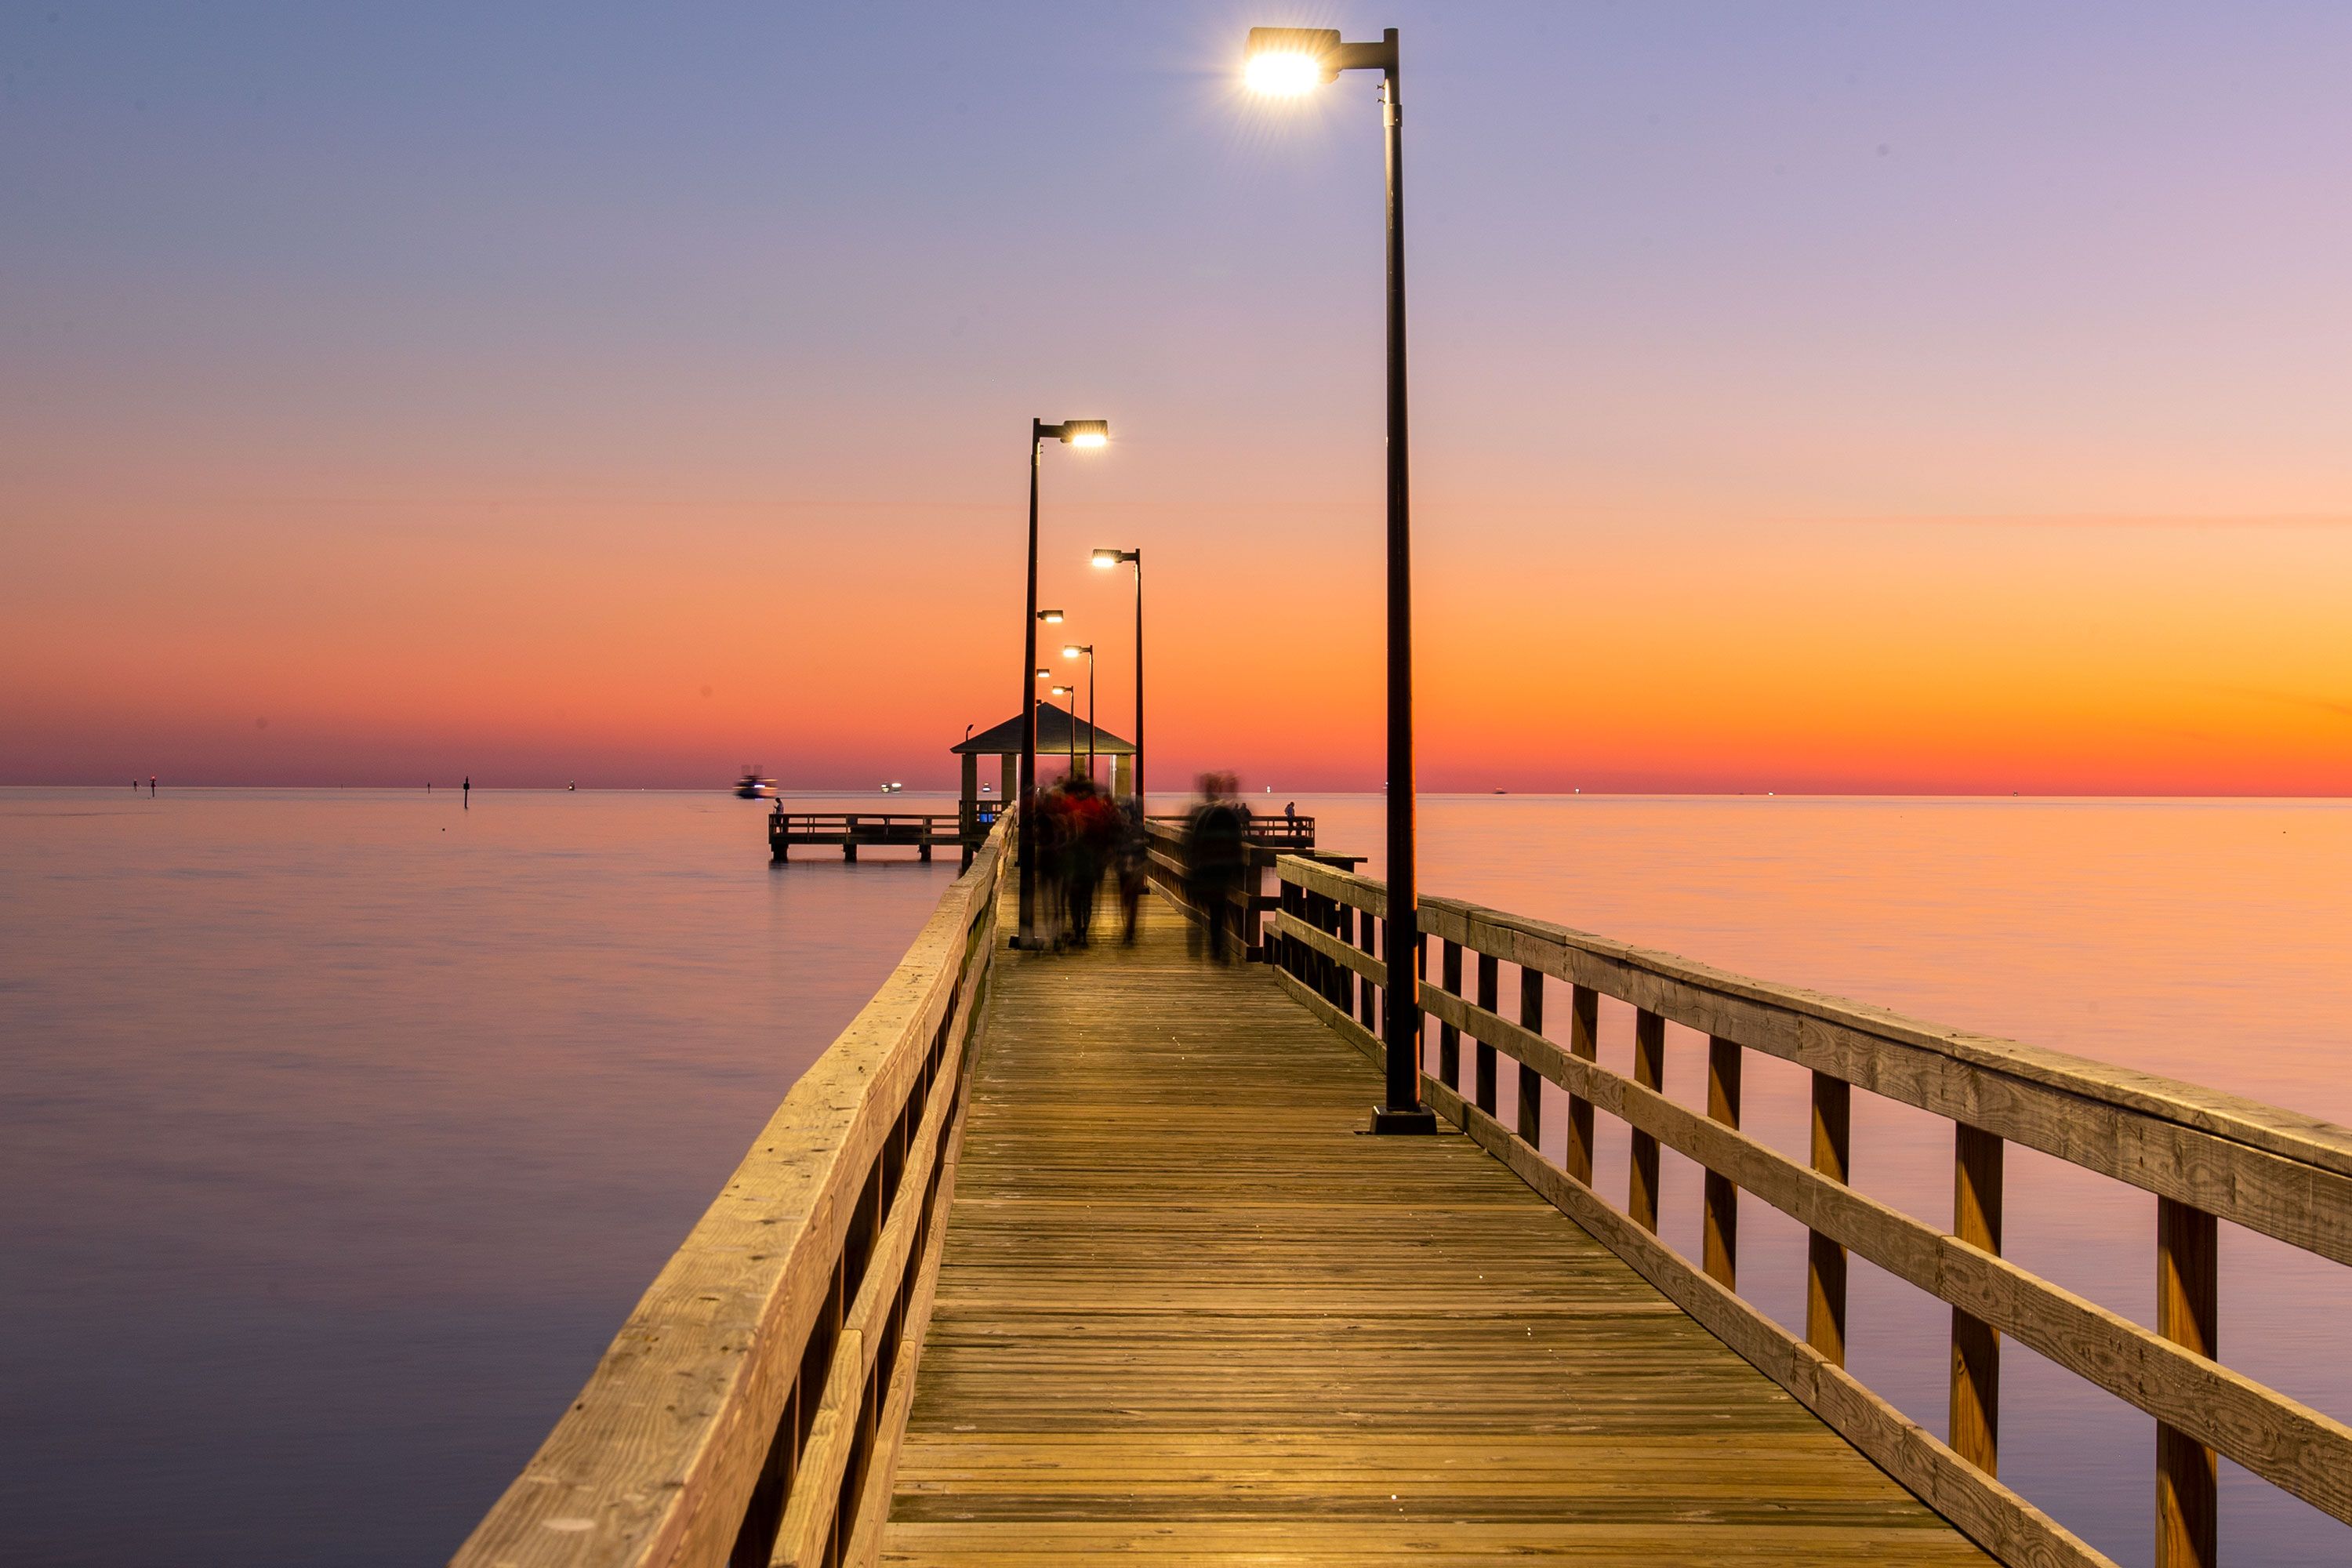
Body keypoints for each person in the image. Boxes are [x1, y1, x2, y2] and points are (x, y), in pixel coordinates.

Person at [1185, 771, 1247, 962]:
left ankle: (1206, 948)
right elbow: (1237, 842)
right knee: (1218, 908)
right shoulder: (1227, 814)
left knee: (1205, 907)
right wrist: (1238, 867)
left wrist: (1193, 865)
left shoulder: (1201, 813)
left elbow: (1192, 841)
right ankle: (1218, 949)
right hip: (1222, 868)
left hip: (1205, 867)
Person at [1115, 797, 1147, 944]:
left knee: (1132, 899)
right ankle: (1128, 928)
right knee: (1126, 899)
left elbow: (1142, 849)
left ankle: (1130, 930)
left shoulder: (1136, 828)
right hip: (1124, 867)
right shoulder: (1121, 829)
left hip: (1134, 867)